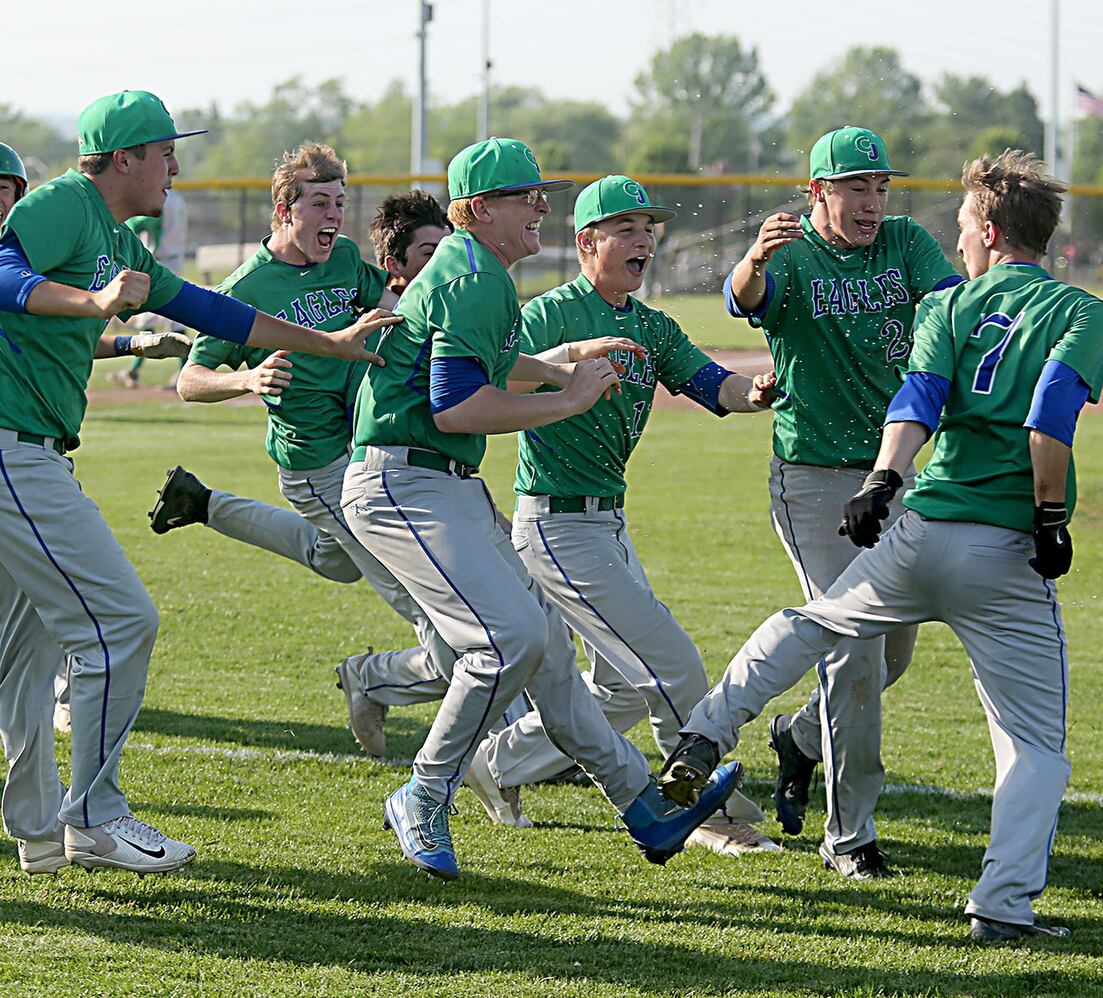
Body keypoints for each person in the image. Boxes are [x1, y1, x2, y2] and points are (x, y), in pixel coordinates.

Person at [662, 151, 1103, 941]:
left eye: (966, 226)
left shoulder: (951, 306)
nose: (959, 239)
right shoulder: (1080, 310)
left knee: (821, 623)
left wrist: (881, 480)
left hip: (921, 527)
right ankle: (1001, 905)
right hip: (1002, 551)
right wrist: (1048, 516)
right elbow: (1049, 421)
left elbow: (919, 399)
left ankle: (710, 725)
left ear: (992, 231)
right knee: (1034, 745)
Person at [0, 90, 387, 876]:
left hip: (3, 453)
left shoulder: (119, 237)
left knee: (28, 653)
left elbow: (223, 314)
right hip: (6, 454)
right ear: (124, 158)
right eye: (165, 153)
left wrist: (337, 344)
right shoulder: (64, 203)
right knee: (123, 623)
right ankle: (96, 818)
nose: (175, 167)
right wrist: (93, 301)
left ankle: (40, 833)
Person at [341, 137, 742, 881]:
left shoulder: (474, 270)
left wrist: (558, 362)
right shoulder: (472, 276)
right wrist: (568, 396)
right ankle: (424, 795)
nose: (542, 208)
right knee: (508, 640)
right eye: (527, 197)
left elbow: (481, 367)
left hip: (438, 482)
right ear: (480, 209)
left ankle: (644, 809)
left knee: (551, 656)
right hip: (404, 484)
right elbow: (457, 406)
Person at [467, 175, 781, 854]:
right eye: (626, 228)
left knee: (618, 691)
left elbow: (714, 387)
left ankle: (495, 762)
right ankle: (702, 811)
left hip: (607, 523)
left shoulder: (652, 326)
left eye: (649, 228)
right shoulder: (550, 316)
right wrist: (560, 368)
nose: (644, 240)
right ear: (586, 243)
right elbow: (494, 380)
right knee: (670, 663)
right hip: (554, 525)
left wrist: (758, 392)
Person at [148, 143, 456, 758]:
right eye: (321, 203)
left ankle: (203, 504)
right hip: (319, 465)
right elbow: (189, 379)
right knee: (428, 597)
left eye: (341, 203)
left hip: (364, 447)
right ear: (285, 209)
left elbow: (392, 303)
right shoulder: (247, 286)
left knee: (334, 559)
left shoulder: (343, 258)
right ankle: (388, 683)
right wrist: (246, 379)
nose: (335, 215)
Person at [720, 126, 962, 878]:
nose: (871, 201)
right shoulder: (789, 253)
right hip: (815, 478)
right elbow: (743, 296)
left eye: (881, 186)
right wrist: (754, 259)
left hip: (891, 473)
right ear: (816, 192)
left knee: (893, 651)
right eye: (855, 187)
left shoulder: (906, 243)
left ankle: (798, 739)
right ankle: (850, 836)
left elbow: (951, 303)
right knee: (854, 652)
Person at [0, 141, 186, 732]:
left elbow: (58, 334)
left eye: (4, 188)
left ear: (21, 197)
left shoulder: (44, 246)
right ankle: (62, 692)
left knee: (21, 588)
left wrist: (133, 343)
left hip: (13, 430)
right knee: (59, 595)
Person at [110, 187, 190, 388]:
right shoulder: (178, 198)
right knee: (173, 319)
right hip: (174, 259)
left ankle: (136, 372)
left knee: (150, 318)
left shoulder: (160, 198)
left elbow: (138, 223)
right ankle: (179, 371)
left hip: (159, 262)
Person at [369, 189, 452, 295]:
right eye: (430, 253)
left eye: (449, 251)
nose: (445, 260)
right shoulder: (372, 310)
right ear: (393, 265)